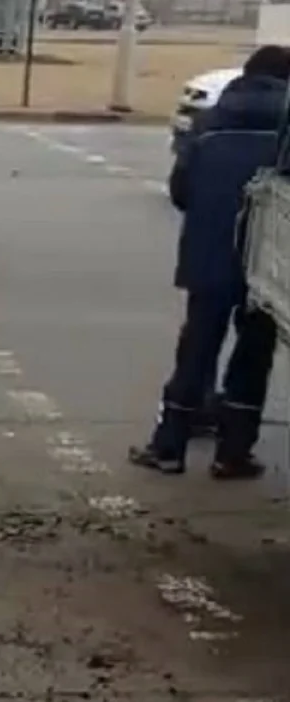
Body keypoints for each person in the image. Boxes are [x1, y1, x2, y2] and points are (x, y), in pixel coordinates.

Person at [129, 44, 288, 480]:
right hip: (267, 266)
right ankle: (232, 454)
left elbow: (180, 192)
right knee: (253, 357)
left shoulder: (209, 125)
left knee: (196, 350)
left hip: (209, 257)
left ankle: (169, 448)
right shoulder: (285, 133)